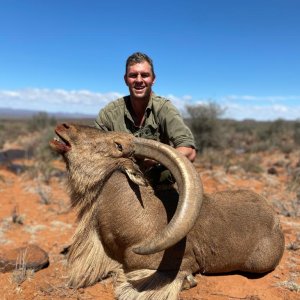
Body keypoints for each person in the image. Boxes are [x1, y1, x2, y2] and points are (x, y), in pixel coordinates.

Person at [95, 52, 196, 184]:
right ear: (126, 79)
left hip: (159, 184)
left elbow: (189, 150)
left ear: (153, 79)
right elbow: (93, 147)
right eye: (133, 75)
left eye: (145, 75)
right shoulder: (110, 113)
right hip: (121, 183)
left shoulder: (164, 108)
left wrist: (155, 159)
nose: (138, 80)